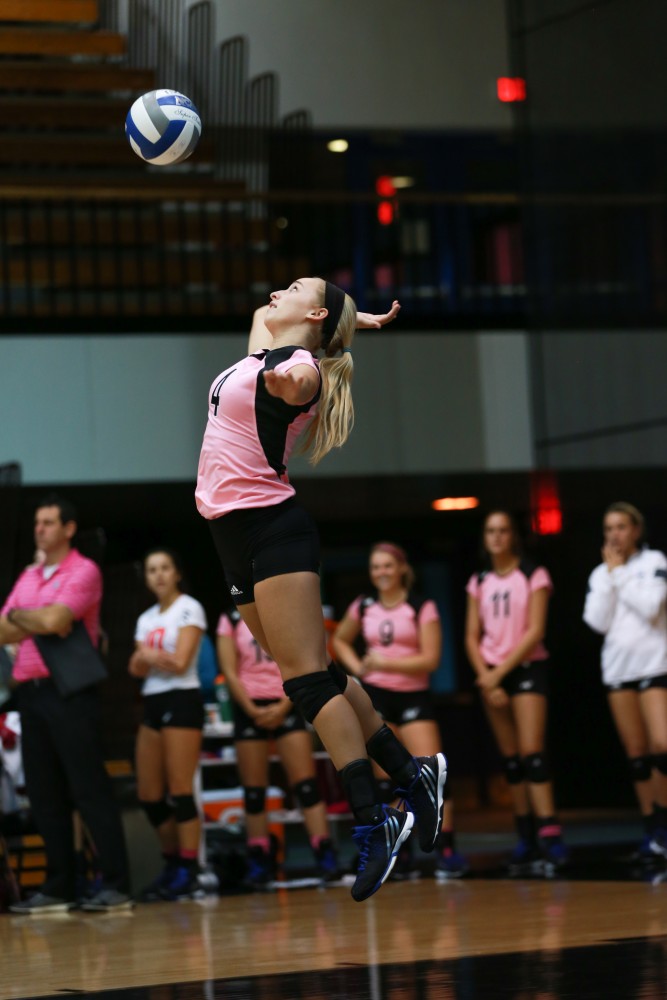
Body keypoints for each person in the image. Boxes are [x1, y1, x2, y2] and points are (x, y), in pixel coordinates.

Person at [195, 277, 447, 902]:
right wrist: (351, 324)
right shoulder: (264, 348)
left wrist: (320, 349)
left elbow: (304, 377)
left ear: (310, 315)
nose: (276, 290)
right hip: (234, 538)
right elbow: (263, 312)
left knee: (305, 683)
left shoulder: (298, 365)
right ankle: (410, 774)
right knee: (320, 676)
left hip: (272, 530)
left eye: (295, 287)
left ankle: (372, 818)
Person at [0, 494, 131, 913]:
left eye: (48, 522)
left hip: (70, 694)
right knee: (43, 795)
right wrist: (32, 616)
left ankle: (116, 884)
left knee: (89, 790)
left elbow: (57, 621)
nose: (40, 528)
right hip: (31, 693)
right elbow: (3, 628)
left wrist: (24, 616)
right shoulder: (30, 576)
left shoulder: (84, 570)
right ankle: (60, 886)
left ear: (68, 529)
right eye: (37, 522)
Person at [332, 541, 467, 879]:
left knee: (432, 775)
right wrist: (358, 669)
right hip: (377, 696)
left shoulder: (421, 606)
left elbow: (431, 659)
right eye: (376, 567)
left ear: (403, 569)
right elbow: (338, 641)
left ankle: (446, 848)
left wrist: (385, 661)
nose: (381, 572)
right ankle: (399, 852)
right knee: (386, 782)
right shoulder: (363, 606)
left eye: (388, 566)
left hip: (413, 696)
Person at [465, 510, 567, 876]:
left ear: (513, 536)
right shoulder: (479, 580)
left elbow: (535, 630)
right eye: (490, 531)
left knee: (532, 754)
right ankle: (526, 839)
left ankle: (551, 834)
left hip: (525, 668)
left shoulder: (532, 574)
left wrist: (498, 675)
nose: (496, 537)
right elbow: (470, 636)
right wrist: (485, 676)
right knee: (511, 762)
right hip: (492, 673)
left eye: (503, 530)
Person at [216, 608, 342, 887]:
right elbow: (229, 669)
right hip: (249, 707)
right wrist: (251, 710)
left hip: (287, 701)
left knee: (306, 786)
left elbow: (301, 661)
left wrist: (283, 707)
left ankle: (324, 854)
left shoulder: (283, 609)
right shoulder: (232, 618)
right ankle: (260, 859)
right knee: (254, 792)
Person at [583, 501, 667, 861]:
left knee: (661, 745)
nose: (614, 534)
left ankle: (663, 820)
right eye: (608, 528)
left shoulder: (655, 562)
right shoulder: (600, 574)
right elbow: (596, 622)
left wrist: (619, 575)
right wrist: (610, 575)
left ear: (636, 529)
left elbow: (651, 607)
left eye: (620, 526)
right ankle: (652, 829)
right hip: (618, 670)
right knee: (636, 755)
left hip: (654, 665)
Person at [128, 548, 208, 900]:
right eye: (151, 570)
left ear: (176, 573)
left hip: (182, 698)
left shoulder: (189, 608)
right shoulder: (145, 618)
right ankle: (173, 863)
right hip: (154, 700)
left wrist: (148, 655)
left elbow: (180, 662)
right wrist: (148, 659)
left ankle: (189, 870)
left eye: (164, 568)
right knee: (149, 795)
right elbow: (134, 669)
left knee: (180, 789)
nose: (158, 575)